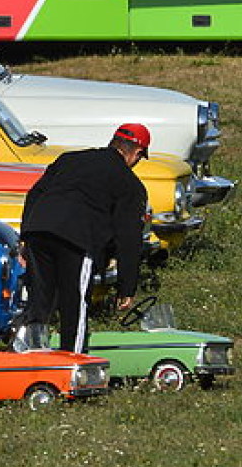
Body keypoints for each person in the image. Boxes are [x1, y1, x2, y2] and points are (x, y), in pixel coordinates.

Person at [19, 123, 150, 353]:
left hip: (38, 230)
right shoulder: (129, 183)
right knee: (74, 307)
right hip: (76, 240)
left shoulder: (70, 159)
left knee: (39, 301)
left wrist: (25, 239)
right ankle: (72, 367)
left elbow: (35, 193)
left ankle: (29, 358)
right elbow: (128, 239)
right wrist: (126, 288)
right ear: (136, 153)